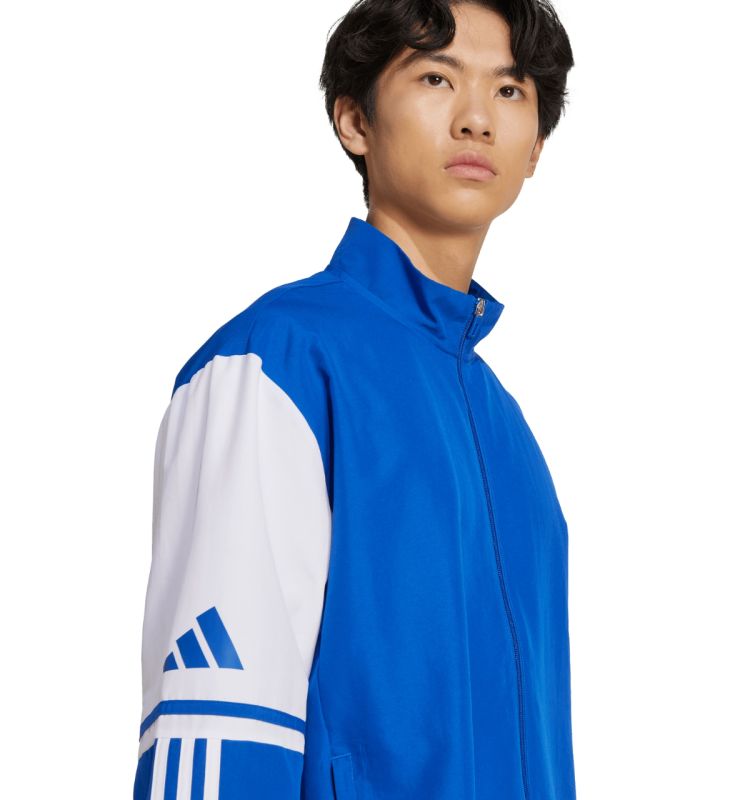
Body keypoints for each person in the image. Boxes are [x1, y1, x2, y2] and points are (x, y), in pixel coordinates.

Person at [132, 1, 576, 798]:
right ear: (354, 121)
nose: (476, 119)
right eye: (436, 79)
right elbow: (217, 723)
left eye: (510, 91)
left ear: (536, 146)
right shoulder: (276, 363)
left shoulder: (508, 431)